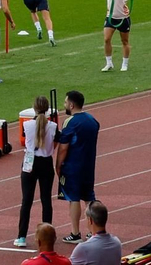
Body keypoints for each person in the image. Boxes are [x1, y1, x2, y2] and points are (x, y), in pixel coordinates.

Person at [54, 91, 100, 243]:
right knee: (89, 197)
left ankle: (75, 233)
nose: (65, 105)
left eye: (66, 102)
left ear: (72, 105)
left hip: (73, 166)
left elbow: (63, 147)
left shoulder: (70, 122)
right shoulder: (92, 120)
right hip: (89, 165)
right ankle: (93, 231)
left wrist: (58, 165)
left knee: (73, 199)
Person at [16, 94, 58, 246]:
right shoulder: (53, 126)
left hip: (29, 162)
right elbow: (56, 141)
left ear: (34, 108)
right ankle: (47, 236)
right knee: (46, 200)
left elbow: (24, 139)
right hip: (46, 162)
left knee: (26, 201)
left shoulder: (26, 125)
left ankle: (21, 237)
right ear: (47, 109)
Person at [92, 0, 132, 72]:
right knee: (106, 39)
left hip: (123, 18)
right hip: (111, 17)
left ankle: (125, 63)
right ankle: (109, 63)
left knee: (124, 41)